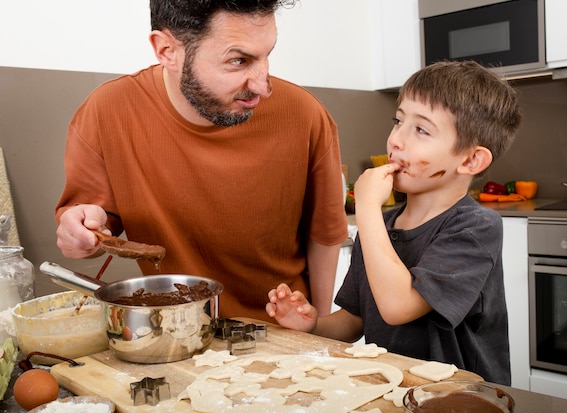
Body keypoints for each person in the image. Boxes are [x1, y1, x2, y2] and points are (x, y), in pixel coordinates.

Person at [54, 0, 348, 321]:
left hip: (284, 333)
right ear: (167, 50)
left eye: (267, 55)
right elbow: (92, 232)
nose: (262, 87)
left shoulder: (306, 116)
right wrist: (84, 232)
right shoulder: (106, 112)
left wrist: (318, 331)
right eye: (239, 61)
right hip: (174, 333)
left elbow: (325, 234)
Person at [267, 60, 522, 385]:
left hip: (463, 398)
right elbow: (355, 321)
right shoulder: (381, 225)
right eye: (398, 121)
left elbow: (398, 308)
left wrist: (368, 209)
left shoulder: (475, 228)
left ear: (471, 159)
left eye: (421, 130)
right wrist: (313, 324)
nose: (396, 140)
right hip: (396, 392)